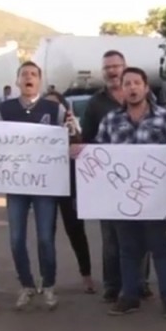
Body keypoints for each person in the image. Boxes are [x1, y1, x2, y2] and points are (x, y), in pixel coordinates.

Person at [76, 67, 166, 318]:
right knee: (127, 248)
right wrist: (82, 152)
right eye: (128, 84)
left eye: (137, 83)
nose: (133, 88)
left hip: (156, 198)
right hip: (121, 198)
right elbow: (99, 152)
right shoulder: (111, 120)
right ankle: (130, 296)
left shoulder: (165, 118)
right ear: (122, 89)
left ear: (146, 87)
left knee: (158, 247)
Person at [80, 50, 152, 303]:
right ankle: (112, 284)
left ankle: (140, 282)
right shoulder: (95, 103)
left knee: (141, 234)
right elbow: (87, 139)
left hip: (142, 180)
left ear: (125, 67)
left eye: (116, 66)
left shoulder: (146, 97)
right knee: (111, 237)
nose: (112, 71)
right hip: (108, 181)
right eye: (107, 68)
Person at [0, 61, 70, 311]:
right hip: (16, 184)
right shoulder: (4, 108)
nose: (28, 77)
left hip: (45, 185)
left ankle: (48, 285)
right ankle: (26, 285)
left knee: (45, 238)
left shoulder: (54, 108)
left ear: (39, 81)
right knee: (16, 238)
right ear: (17, 81)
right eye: (24, 74)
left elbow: (68, 137)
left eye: (33, 74)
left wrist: (72, 131)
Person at [44, 90, 95, 293]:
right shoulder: (36, 129)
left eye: (56, 105)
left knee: (75, 230)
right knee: (46, 234)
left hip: (68, 184)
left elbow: (80, 145)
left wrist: (72, 126)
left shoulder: (69, 124)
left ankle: (87, 275)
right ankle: (48, 280)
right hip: (44, 184)